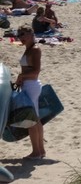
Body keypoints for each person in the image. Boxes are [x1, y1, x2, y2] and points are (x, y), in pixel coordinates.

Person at [15, 25, 45, 159]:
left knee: (31, 120)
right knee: (36, 119)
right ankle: (41, 150)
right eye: (19, 35)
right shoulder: (28, 49)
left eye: (22, 34)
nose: (20, 37)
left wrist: (21, 77)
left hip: (31, 85)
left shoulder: (35, 49)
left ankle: (36, 152)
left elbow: (36, 72)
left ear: (31, 34)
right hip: (29, 85)